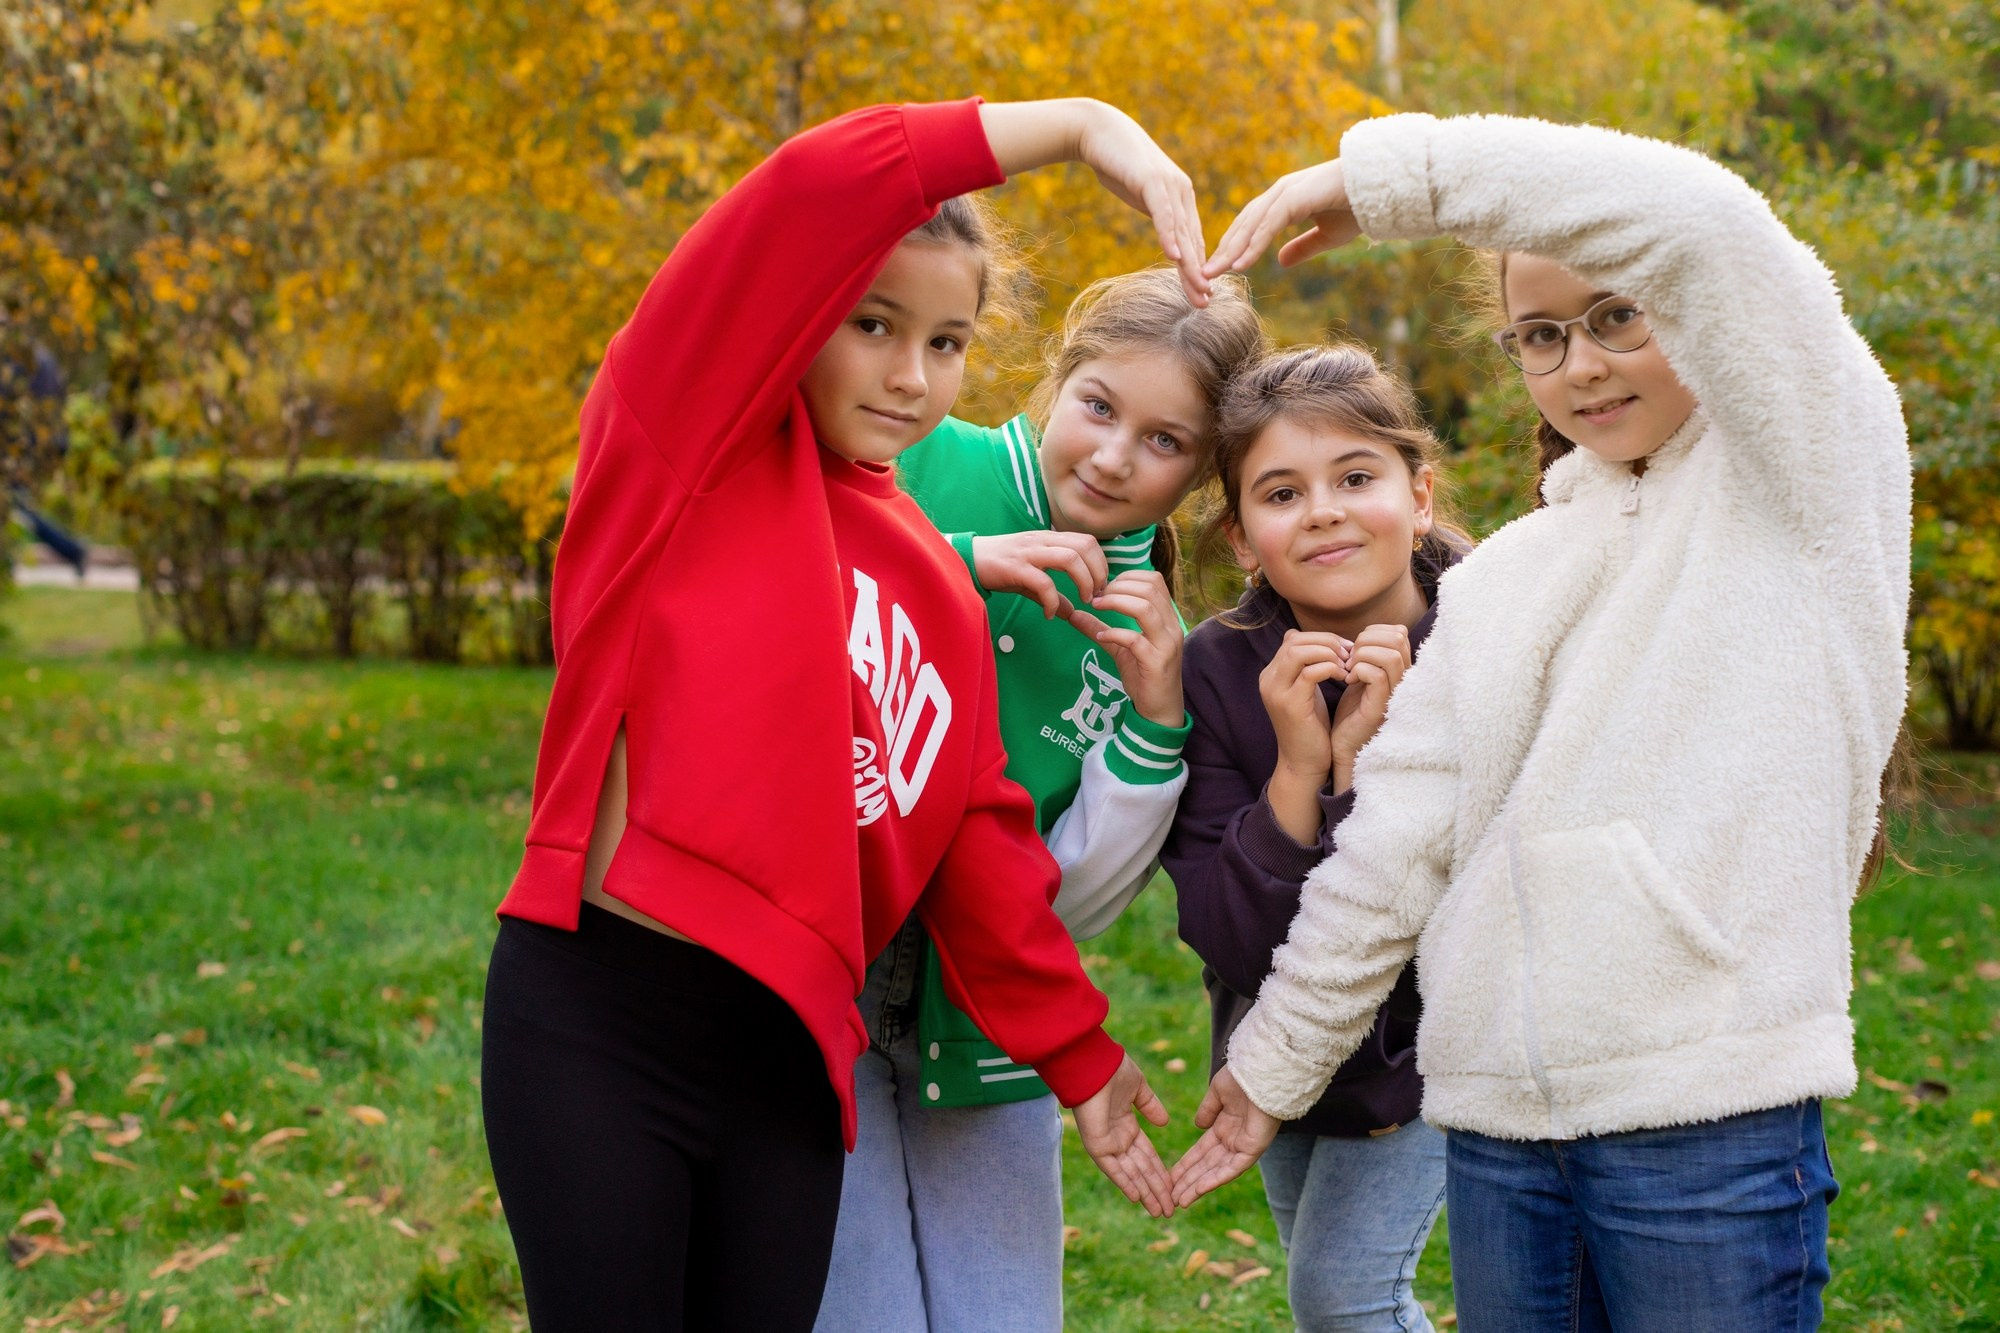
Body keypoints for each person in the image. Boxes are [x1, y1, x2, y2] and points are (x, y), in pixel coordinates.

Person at [1172, 111, 1910, 1333]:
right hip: (1498, 1141)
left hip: (1702, 1132)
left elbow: (1702, 224)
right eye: (1541, 336)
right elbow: (1393, 846)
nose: (1582, 364)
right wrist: (1270, 1069)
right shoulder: (1508, 574)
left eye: (1619, 314)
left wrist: (1395, 182)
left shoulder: (1803, 475)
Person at [480, 97, 1205, 1332]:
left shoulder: (932, 567)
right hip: (605, 1017)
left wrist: (1078, 1056)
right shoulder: (685, 445)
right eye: (872, 324)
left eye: (948, 340)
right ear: (798, 314)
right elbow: (808, 192)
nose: (910, 374)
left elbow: (974, 830)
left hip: (793, 1062)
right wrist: (1082, 127)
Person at [814, 265, 1267, 1332]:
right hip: (820, 979)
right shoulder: (914, 457)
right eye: (1098, 407)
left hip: (994, 1012)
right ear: (1055, 380)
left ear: (1202, 474)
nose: (1112, 457)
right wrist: (954, 565)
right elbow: (785, 584)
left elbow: (1071, 903)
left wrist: (1154, 724)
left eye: (1164, 443)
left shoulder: (1147, 625)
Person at [1164, 344, 1467, 1332]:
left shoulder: (1486, 637)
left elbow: (1437, 907)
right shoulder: (1215, 669)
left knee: (1342, 1296)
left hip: (1434, 1045)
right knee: (1333, 1297)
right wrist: (1301, 770)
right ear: (1244, 539)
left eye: (1354, 477)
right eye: (1281, 492)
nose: (1324, 509)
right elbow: (1232, 937)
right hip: (1277, 1042)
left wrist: (1359, 778)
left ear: (1417, 495)